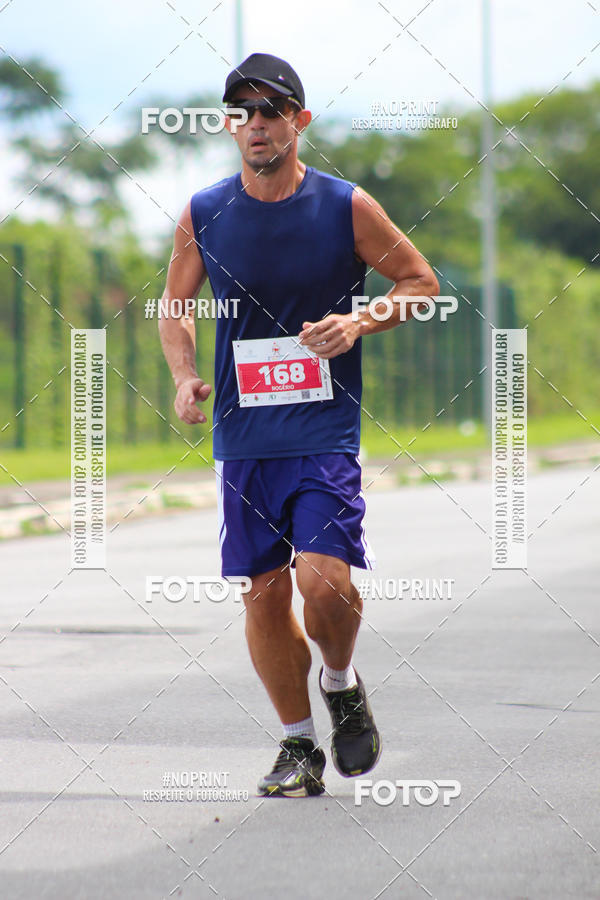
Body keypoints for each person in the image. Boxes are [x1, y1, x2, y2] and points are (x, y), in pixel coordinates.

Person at [159, 52, 439, 797]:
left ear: (299, 120)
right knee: (262, 594)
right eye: (242, 112)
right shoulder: (204, 212)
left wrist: (361, 320)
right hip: (245, 435)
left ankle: (340, 683)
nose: (256, 124)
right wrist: (184, 375)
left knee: (325, 583)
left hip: (323, 429)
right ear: (230, 126)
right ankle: (297, 746)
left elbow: (420, 281)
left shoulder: (345, 205)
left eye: (271, 110)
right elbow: (174, 305)